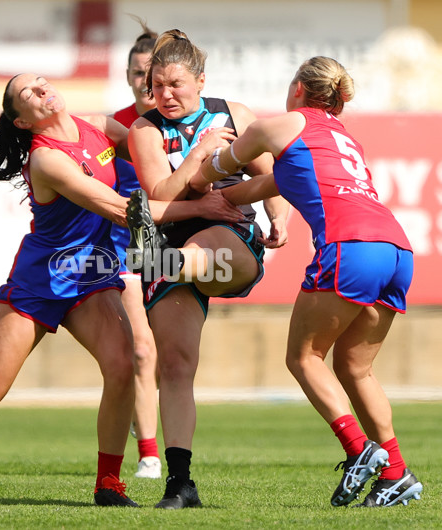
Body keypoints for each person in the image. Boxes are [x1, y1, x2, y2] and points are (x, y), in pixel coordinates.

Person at [0, 73, 245, 507]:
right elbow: (121, 210)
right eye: (28, 93)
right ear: (22, 121)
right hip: (43, 281)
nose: (42, 90)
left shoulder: (100, 125)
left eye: (41, 82)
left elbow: (151, 144)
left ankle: (108, 486)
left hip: (92, 277)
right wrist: (200, 206)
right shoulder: (46, 160)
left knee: (122, 366)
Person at [189, 56, 423, 508]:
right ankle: (396, 473)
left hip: (349, 246)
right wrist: (219, 201)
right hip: (395, 248)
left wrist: (196, 164)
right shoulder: (341, 137)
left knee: (303, 357)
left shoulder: (278, 126)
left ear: (298, 87)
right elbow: (254, 188)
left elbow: (211, 173)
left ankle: (360, 451)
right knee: (356, 368)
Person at [125, 29, 290, 509]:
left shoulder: (234, 114)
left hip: (224, 237)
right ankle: (180, 484)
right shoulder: (144, 130)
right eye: (156, 85)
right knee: (176, 366)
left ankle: (162, 263)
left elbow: (270, 174)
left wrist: (278, 220)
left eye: (175, 84)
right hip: (177, 232)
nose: (164, 95)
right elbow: (159, 196)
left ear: (201, 79)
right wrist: (198, 156)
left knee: (210, 250)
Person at [110, 21, 162, 479]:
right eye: (134, 72)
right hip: (123, 253)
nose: (142, 80)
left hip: (171, 252)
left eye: (150, 70)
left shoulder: (188, 124)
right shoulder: (115, 128)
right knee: (141, 351)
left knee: (167, 356)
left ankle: (141, 415)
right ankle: (149, 454)